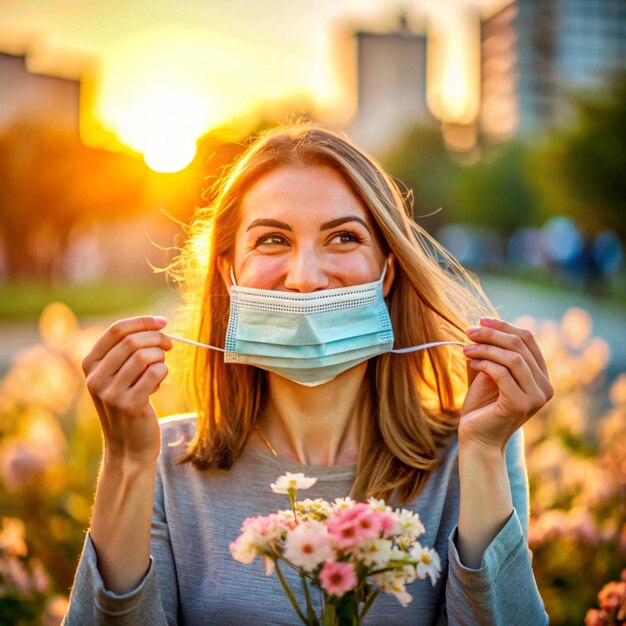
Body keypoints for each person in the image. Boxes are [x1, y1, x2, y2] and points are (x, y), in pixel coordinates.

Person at [63, 122, 552, 625]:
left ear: (387, 269)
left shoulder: (471, 452)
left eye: (343, 237)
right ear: (230, 273)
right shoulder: (161, 463)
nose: (306, 278)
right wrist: (124, 461)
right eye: (273, 240)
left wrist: (484, 454)